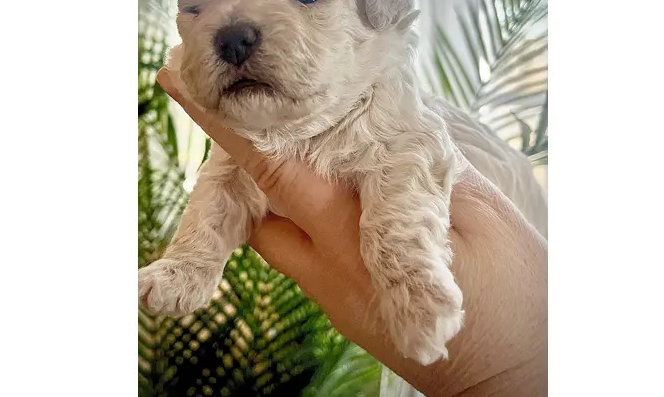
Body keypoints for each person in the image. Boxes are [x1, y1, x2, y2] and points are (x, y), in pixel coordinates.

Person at [156, 68, 548, 397]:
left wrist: (504, 369)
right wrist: (192, 262)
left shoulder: (382, 99)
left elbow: (409, 152)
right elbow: (231, 185)